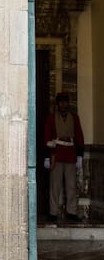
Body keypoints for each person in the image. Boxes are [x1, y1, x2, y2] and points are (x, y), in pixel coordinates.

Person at [43, 92, 84, 222]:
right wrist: (47, 157)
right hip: (57, 153)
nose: (63, 104)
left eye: (65, 102)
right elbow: (47, 136)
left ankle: (71, 211)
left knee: (71, 185)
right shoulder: (51, 118)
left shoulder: (74, 118)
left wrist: (79, 156)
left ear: (68, 103)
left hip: (70, 153)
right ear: (58, 104)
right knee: (55, 185)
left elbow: (79, 136)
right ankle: (53, 211)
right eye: (61, 102)